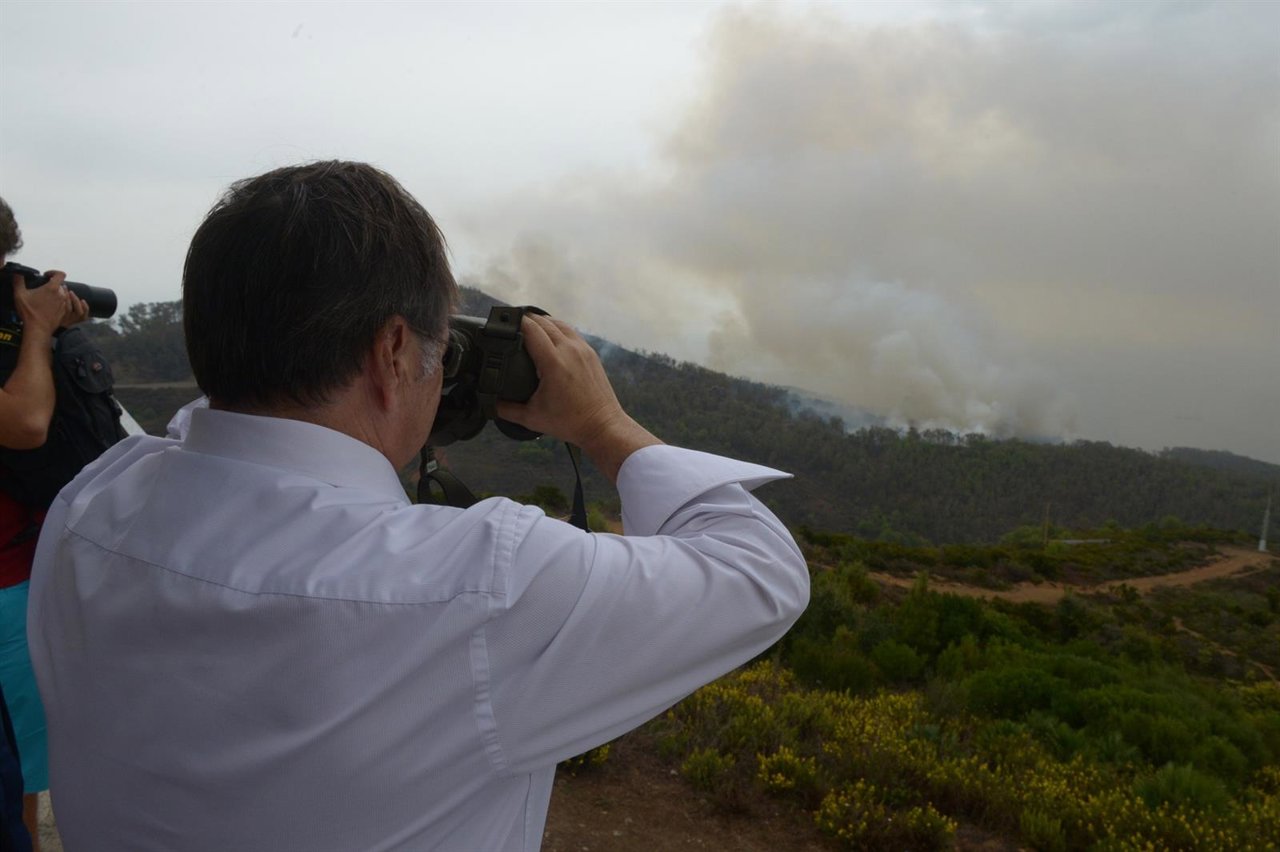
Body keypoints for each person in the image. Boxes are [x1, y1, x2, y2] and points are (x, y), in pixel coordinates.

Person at [28, 161, 809, 851]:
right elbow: (760, 569)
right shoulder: (476, 585)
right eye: (436, 348)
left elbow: (221, 427)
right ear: (394, 352)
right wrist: (603, 426)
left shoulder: (94, 505)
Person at [1, 197, 89, 852]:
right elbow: (26, 424)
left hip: (19, 575)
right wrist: (38, 332)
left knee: (18, 780)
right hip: (8, 586)